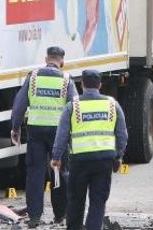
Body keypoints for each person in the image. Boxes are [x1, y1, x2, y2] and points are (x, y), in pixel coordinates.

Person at [50, 69, 128, 230]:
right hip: (104, 161)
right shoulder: (112, 105)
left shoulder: (73, 106)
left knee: (76, 200)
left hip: (80, 161)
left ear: (82, 84)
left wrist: (56, 157)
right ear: (100, 85)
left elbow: (62, 135)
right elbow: (122, 135)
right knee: (98, 201)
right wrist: (118, 156)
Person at [10, 46, 78, 227]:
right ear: (62, 61)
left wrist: (15, 128)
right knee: (59, 173)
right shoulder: (67, 80)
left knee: (35, 173)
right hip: (59, 135)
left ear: (46, 58)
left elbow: (19, 106)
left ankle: (34, 217)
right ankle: (59, 215)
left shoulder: (33, 78)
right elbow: (75, 107)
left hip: (36, 131)